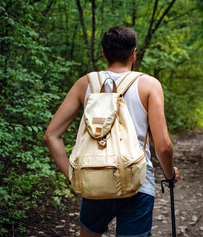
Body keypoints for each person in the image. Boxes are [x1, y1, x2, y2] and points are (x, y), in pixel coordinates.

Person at [43, 26, 179, 237]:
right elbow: (163, 145)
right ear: (134, 52)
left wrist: (74, 177)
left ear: (104, 53)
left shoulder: (85, 84)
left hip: (95, 178)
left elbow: (51, 135)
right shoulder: (149, 85)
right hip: (138, 182)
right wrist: (169, 175)